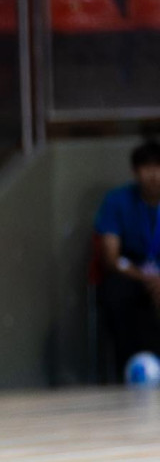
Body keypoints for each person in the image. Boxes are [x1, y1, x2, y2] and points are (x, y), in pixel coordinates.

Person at [94, 140, 160, 378]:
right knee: (115, 293)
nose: (154, 175)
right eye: (147, 167)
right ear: (135, 172)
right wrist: (145, 277)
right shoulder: (117, 201)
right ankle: (126, 370)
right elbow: (111, 257)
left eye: (158, 167)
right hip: (131, 272)